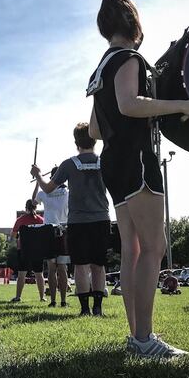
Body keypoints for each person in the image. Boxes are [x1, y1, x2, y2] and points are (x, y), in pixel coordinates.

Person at [88, 0, 189, 357]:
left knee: (132, 249)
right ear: (133, 21)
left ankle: (137, 337)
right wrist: (181, 105)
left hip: (112, 160)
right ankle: (144, 339)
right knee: (154, 248)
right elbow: (129, 104)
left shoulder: (101, 67)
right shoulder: (130, 59)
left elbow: (93, 130)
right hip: (135, 159)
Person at [32, 123, 110, 315]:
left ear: (76, 143)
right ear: (95, 139)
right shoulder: (105, 162)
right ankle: (98, 308)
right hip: (101, 219)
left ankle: (84, 310)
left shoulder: (69, 164)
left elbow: (48, 188)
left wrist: (38, 175)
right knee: (99, 266)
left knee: (81, 267)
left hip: (78, 222)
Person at [32, 166, 70, 307]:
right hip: (64, 229)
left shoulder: (43, 193)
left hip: (48, 232)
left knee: (52, 268)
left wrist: (38, 180)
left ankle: (53, 301)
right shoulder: (68, 192)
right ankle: (63, 301)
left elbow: (33, 203)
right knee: (62, 268)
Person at [10, 199, 46, 302]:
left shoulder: (20, 220)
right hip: (38, 250)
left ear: (26, 207)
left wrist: (18, 236)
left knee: (22, 274)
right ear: (36, 207)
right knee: (39, 274)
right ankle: (42, 297)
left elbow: (13, 235)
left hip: (23, 250)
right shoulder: (41, 220)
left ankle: (18, 297)